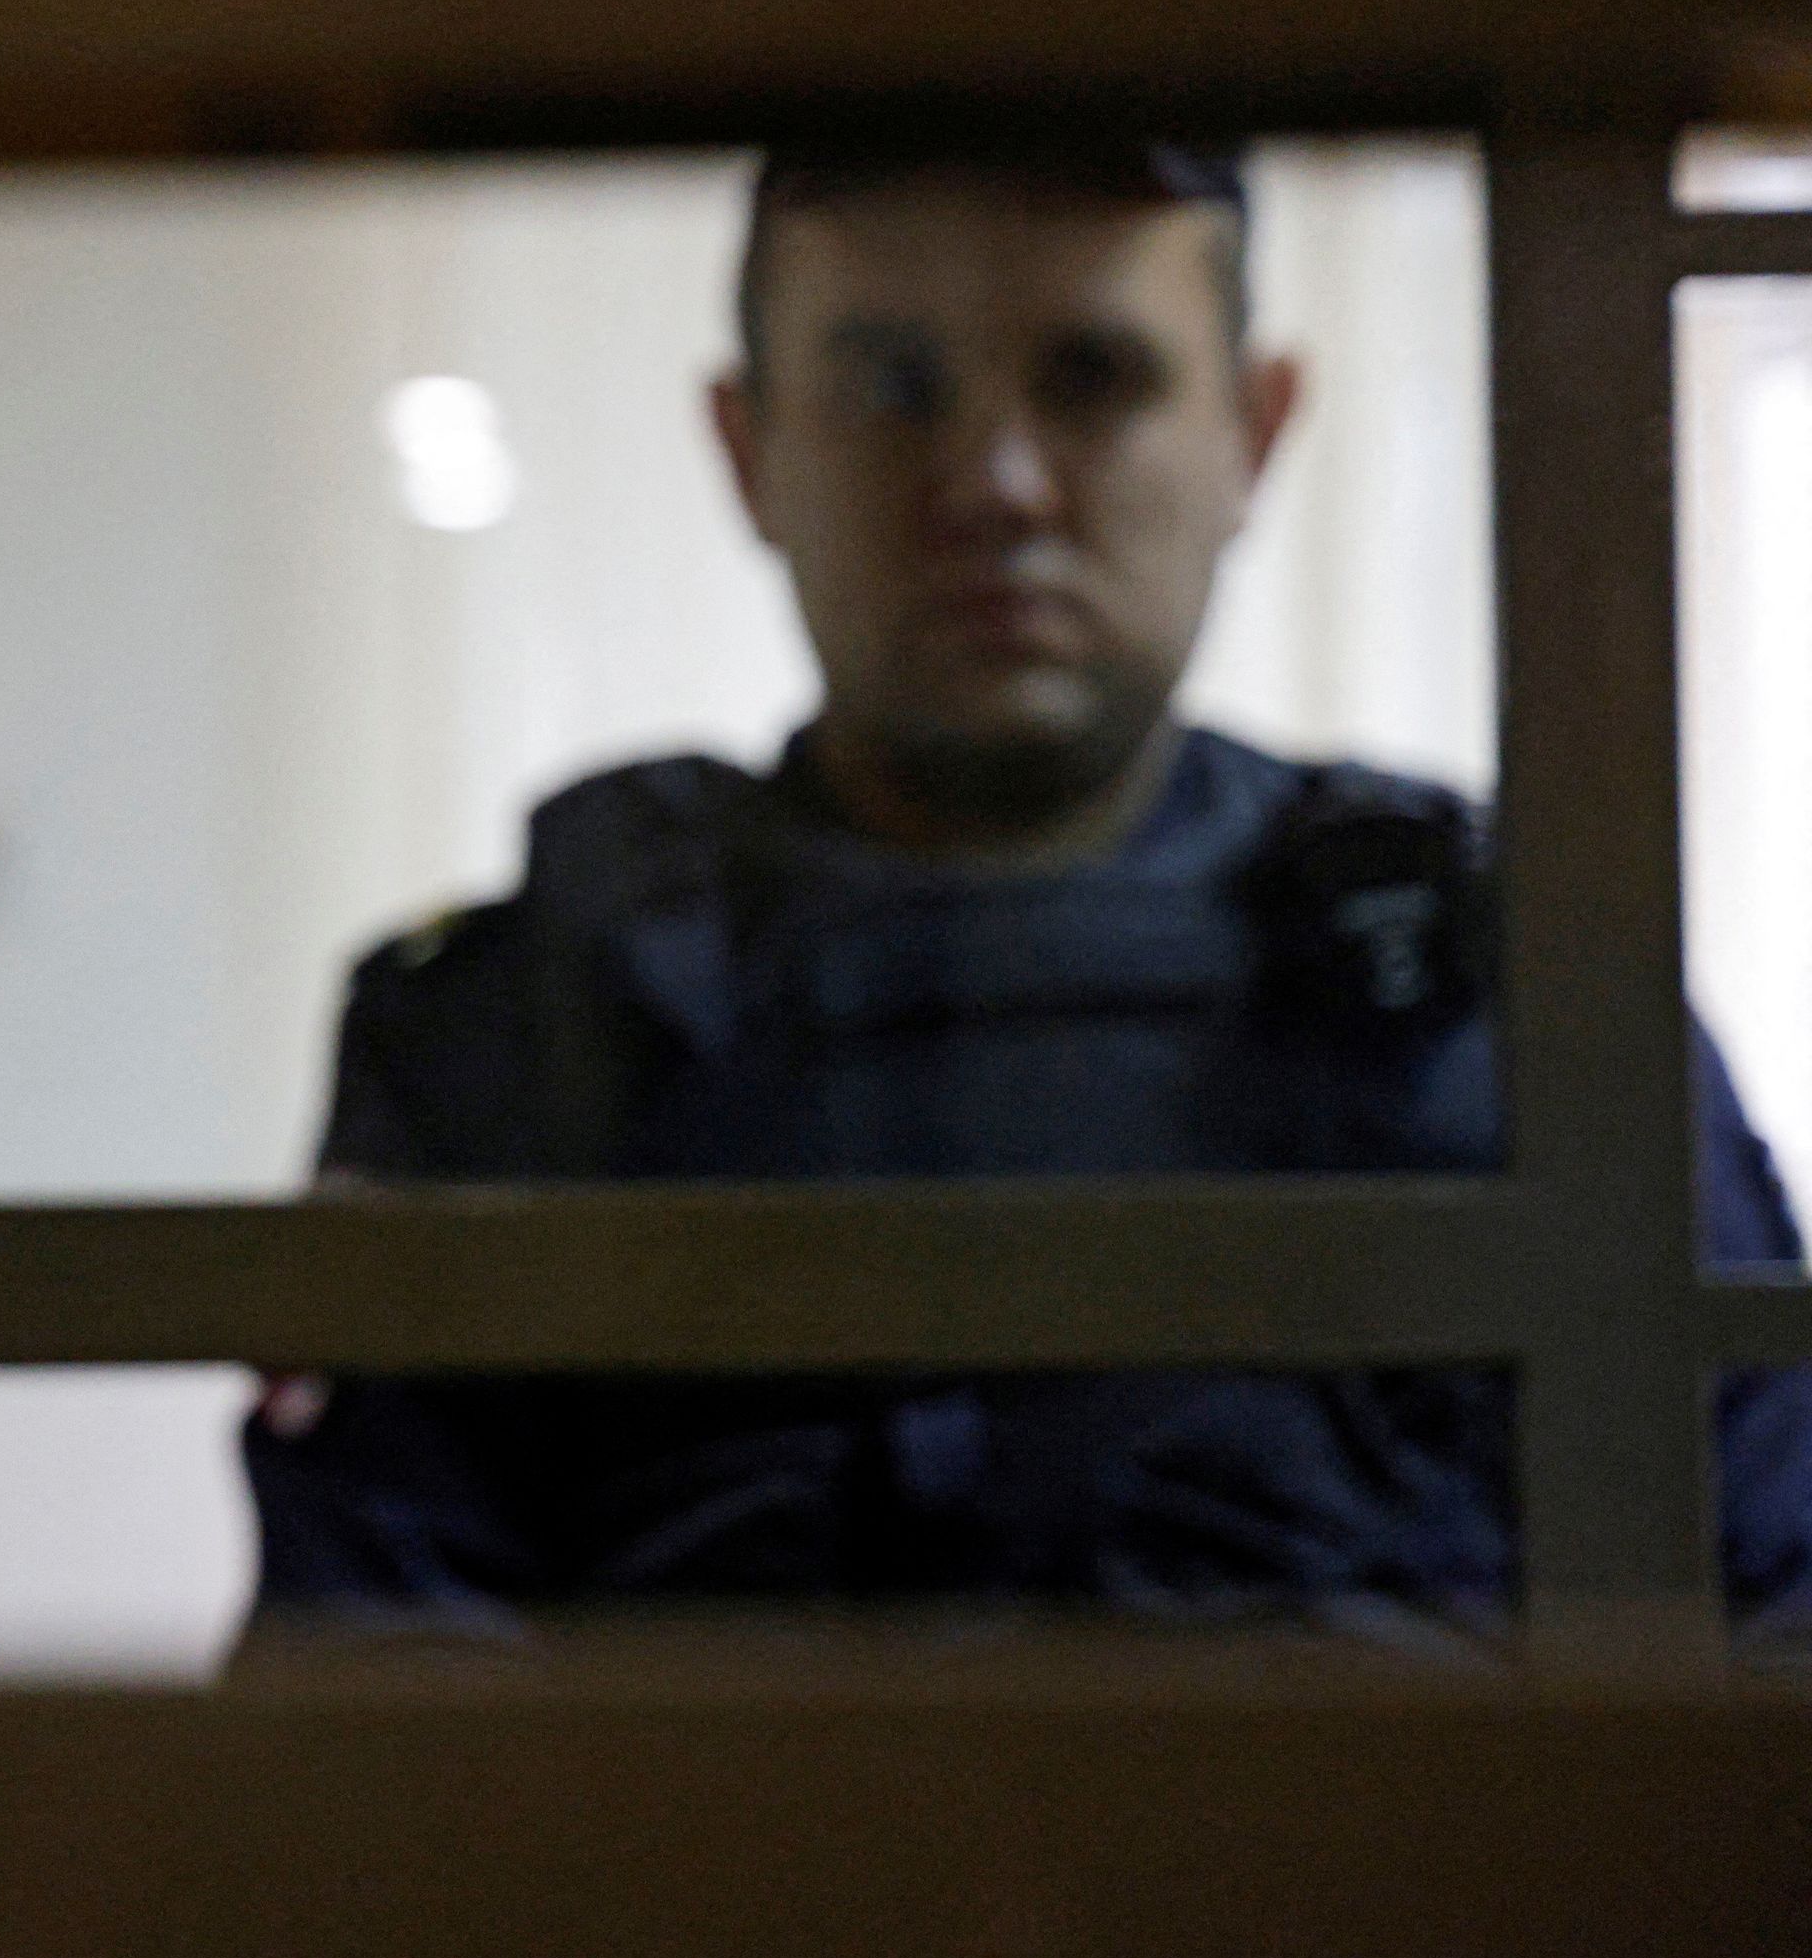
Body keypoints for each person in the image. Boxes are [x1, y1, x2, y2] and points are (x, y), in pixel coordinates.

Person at [243, 138, 1812, 1639]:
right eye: (888, 386)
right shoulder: (513, 1029)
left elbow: (1765, 1656)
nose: (994, 482)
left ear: (1257, 431)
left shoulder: (1515, 995)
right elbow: (380, 1769)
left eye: (1094, 380)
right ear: (749, 446)